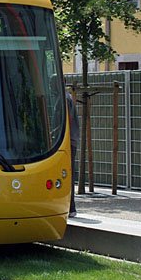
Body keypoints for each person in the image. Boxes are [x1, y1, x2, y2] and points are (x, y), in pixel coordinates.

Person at [66, 89, 80, 217]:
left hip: (68, 141)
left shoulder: (64, 99)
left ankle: (70, 207)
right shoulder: (68, 97)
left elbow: (67, 120)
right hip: (72, 139)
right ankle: (71, 207)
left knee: (67, 174)